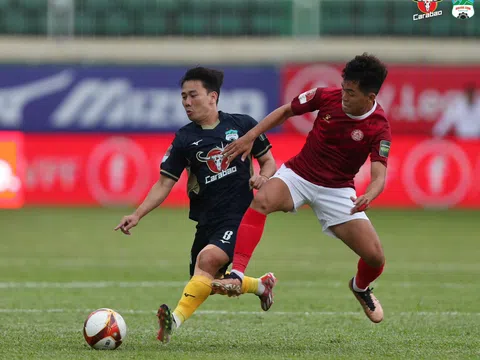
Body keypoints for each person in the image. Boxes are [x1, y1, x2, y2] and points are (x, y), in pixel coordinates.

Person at [212, 53, 392, 324]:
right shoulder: (325, 96)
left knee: (376, 258)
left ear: (370, 96)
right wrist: (250, 137)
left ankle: (360, 287)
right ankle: (237, 274)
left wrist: (370, 194)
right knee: (262, 201)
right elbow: (285, 111)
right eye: (344, 88)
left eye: (351, 93)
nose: (344, 96)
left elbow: (379, 175)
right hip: (299, 175)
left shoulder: (379, 127)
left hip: (338, 191)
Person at [114, 67, 278, 343]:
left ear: (212, 96)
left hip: (240, 216)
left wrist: (263, 177)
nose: (187, 103)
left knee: (208, 261)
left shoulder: (243, 125)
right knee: (207, 282)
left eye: (193, 95)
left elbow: (269, 161)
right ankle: (261, 286)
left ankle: (172, 321)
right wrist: (138, 213)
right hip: (207, 221)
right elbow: (165, 182)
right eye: (183, 97)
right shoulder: (184, 139)